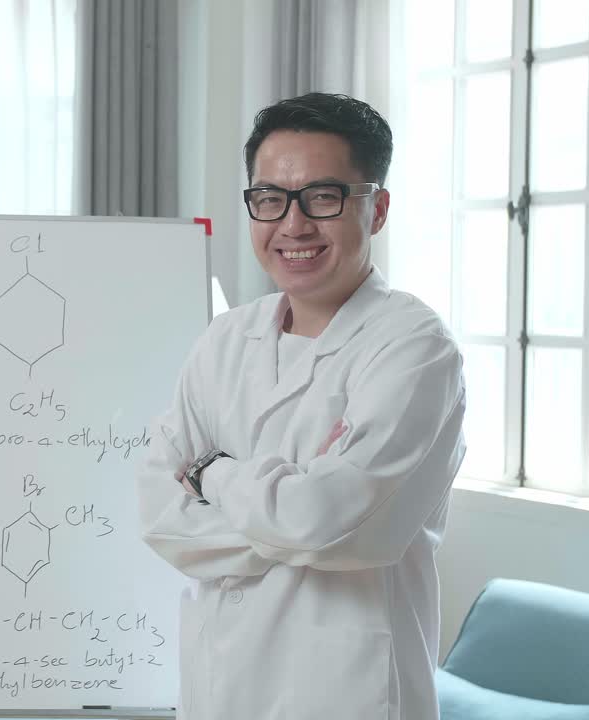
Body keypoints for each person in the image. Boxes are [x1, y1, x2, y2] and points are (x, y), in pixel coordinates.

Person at [138, 92, 466, 719]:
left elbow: (328, 522)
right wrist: (296, 512)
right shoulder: (225, 338)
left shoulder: (415, 348)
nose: (293, 225)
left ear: (377, 209)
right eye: (270, 198)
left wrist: (211, 475)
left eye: (323, 196)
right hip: (218, 688)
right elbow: (161, 518)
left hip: (345, 694)